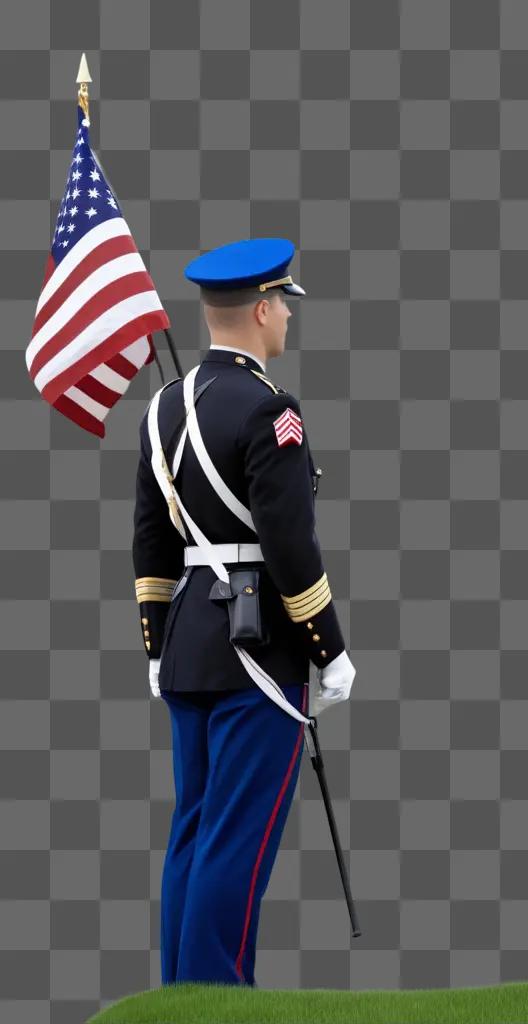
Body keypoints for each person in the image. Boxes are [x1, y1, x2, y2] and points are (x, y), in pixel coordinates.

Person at [131, 237, 356, 987]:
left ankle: (182, 996)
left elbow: (152, 545)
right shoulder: (271, 411)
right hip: (260, 646)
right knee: (236, 837)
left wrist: (158, 648)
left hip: (192, 642)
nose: (288, 318)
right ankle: (216, 996)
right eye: (283, 304)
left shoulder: (162, 409)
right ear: (261, 309)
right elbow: (290, 543)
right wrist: (328, 647)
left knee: (193, 830)